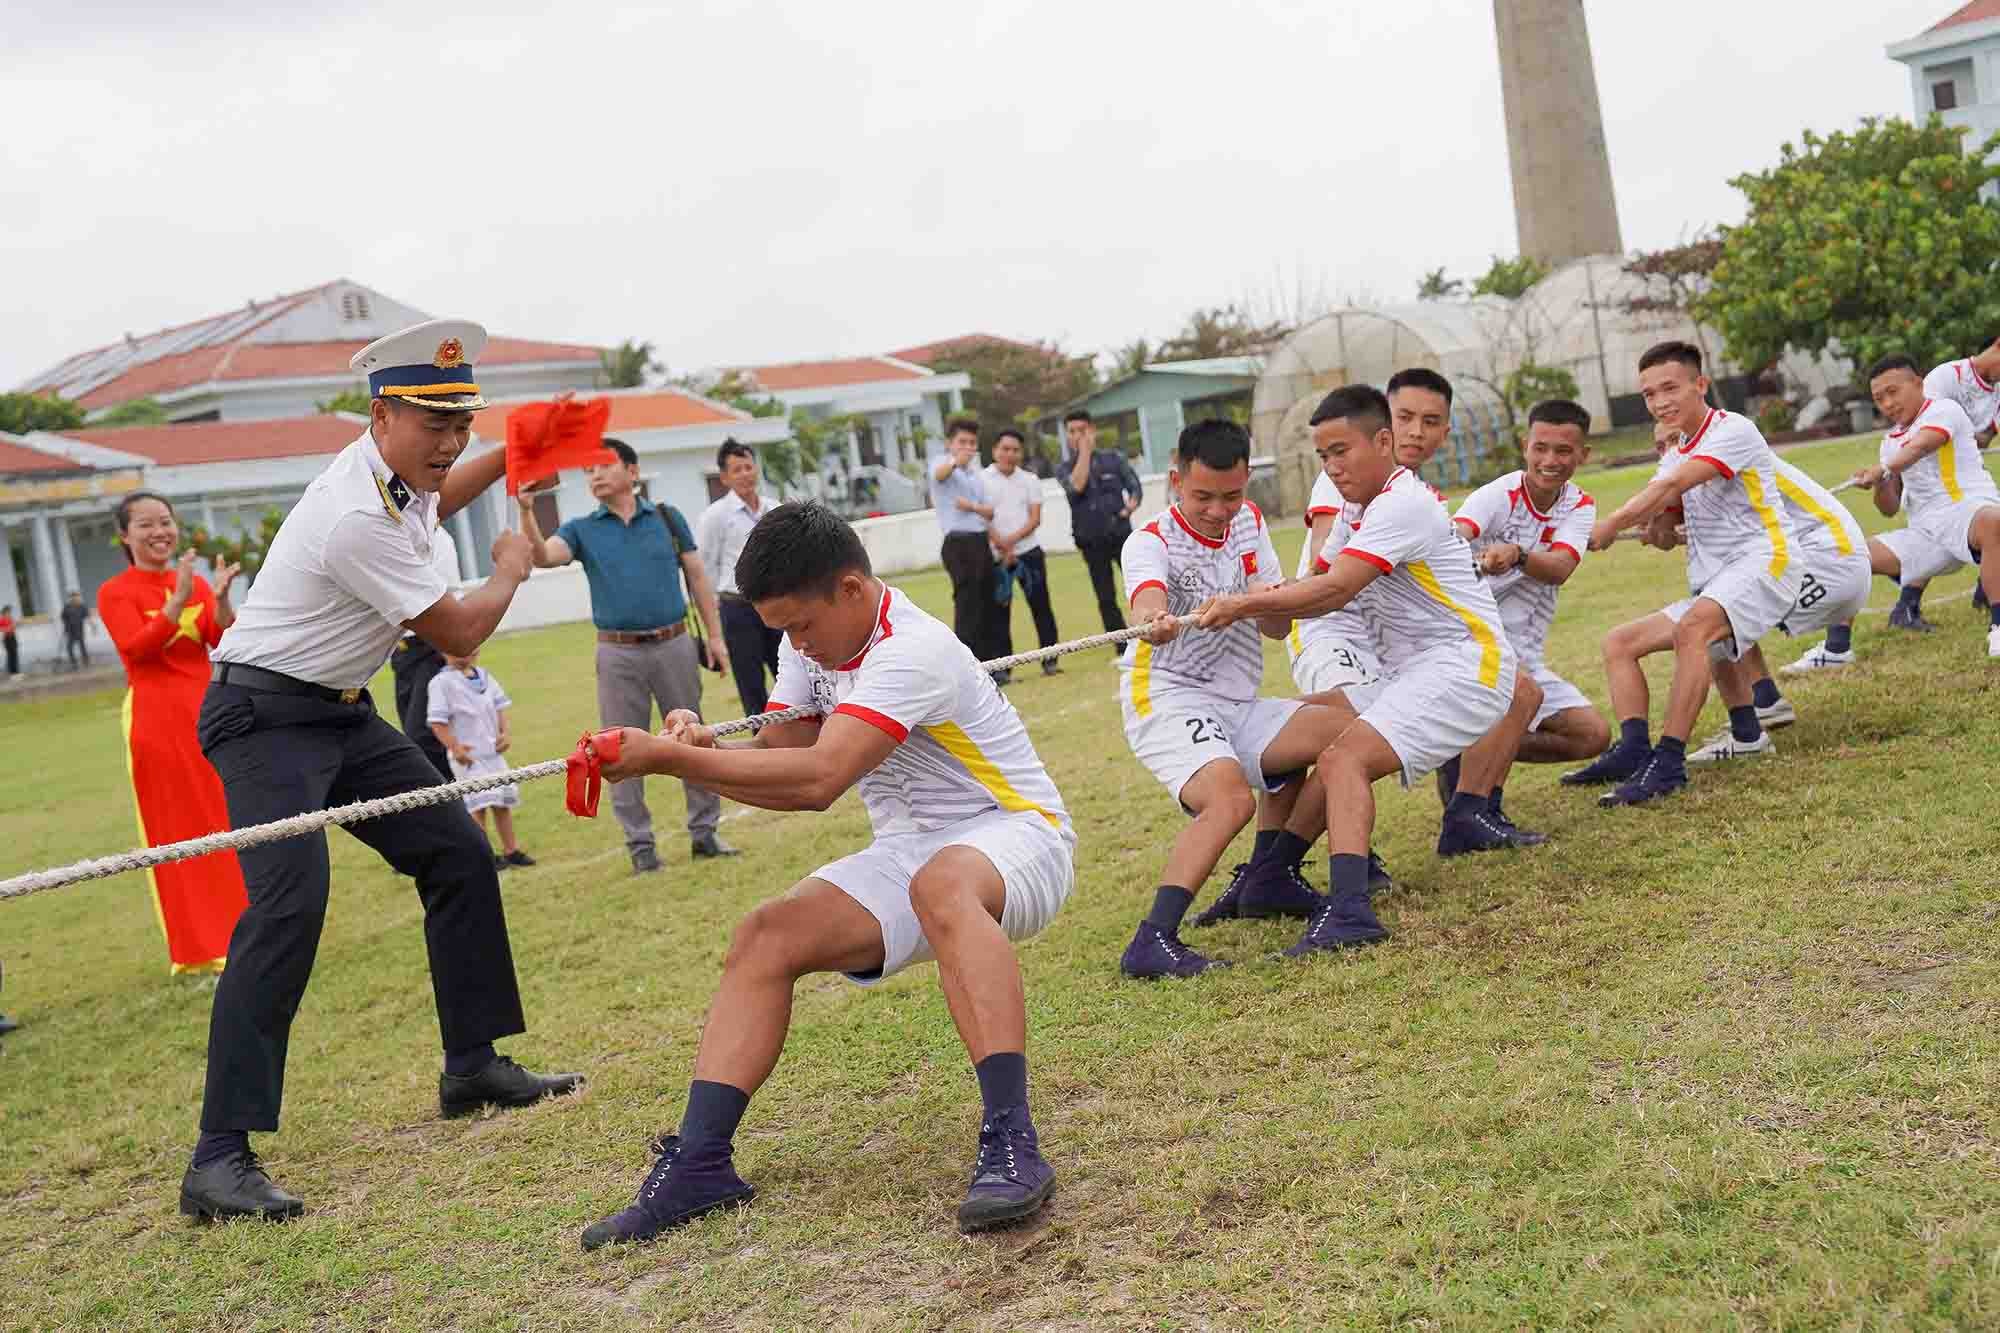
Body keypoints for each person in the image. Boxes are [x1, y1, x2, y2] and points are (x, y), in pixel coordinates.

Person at [579, 502, 1074, 1247]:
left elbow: (816, 782)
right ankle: (701, 1163)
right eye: (782, 629)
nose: (794, 642)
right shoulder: (808, 643)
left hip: (1016, 832)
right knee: (765, 933)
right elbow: (783, 746)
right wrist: (702, 742)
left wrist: (675, 761)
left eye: (800, 625)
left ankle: (1013, 1140)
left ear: (850, 588)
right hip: (910, 848)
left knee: (940, 884)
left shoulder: (913, 649)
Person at [182, 319, 582, 1224]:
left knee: (455, 852)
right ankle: (218, 1157)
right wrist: (513, 569)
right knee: (288, 906)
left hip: (337, 712)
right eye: (432, 424)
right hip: (262, 718)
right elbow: (459, 633)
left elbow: (450, 489)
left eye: (462, 424)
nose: (450, 444)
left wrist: (517, 451)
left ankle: (471, 1064)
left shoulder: (397, 478)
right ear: (380, 413)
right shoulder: (356, 512)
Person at [1197, 384, 1528, 955]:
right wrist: (1248, 592)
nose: (1332, 466)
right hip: (1414, 669)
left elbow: (1335, 589)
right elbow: (1318, 578)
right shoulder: (1357, 508)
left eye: (1340, 451)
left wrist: (1245, 605)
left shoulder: (1403, 503)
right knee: (1301, 725)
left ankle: (1350, 912)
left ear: (1382, 442)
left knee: (1342, 756)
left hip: (1466, 666)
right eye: (1323, 456)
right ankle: (1271, 873)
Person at [1114, 419, 1360, 980]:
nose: (1219, 510)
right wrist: (1154, 618)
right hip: (1170, 699)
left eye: (1231, 494)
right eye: (1203, 496)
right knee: (1230, 802)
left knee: (1353, 733)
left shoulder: (1249, 523)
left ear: (1247, 481)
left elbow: (1275, 629)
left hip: (1238, 704)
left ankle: (1268, 876)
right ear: (1177, 480)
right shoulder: (1149, 540)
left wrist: (1260, 601)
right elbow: (1146, 598)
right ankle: (1151, 941)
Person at [1576, 341, 1803, 807]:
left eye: (1670, 388)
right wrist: (1654, 524)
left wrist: (1613, 522)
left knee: (1696, 628)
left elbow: (1674, 485)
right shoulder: (1675, 452)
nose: (1660, 402)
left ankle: (1669, 764)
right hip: (1718, 578)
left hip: (1768, 562)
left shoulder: (1733, 430)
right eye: (1649, 394)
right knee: (1619, 643)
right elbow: (1664, 524)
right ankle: (1641, 749)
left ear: (1700, 385)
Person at [515, 438, 738, 870]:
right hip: (617, 653)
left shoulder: (668, 519)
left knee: (692, 738)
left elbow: (697, 577)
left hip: (675, 644)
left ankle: (705, 834)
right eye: (587, 471)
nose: (594, 475)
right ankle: (641, 848)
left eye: (603, 466)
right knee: (617, 751)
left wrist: (715, 637)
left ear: (632, 473)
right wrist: (527, 511)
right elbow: (544, 556)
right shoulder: (580, 529)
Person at [96, 492, 251, 974]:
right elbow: (137, 649)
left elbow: (220, 641)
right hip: (156, 720)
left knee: (230, 821)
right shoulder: (115, 592)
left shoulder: (197, 582)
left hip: (209, 714)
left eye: (165, 522)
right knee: (178, 831)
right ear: (125, 536)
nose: (159, 532)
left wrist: (220, 600)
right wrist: (179, 600)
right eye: (145, 525)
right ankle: (198, 947)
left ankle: (246, 931)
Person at [1446, 399, 1610, 822]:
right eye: (1541, 448)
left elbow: (1559, 569)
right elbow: (1454, 537)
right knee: (1521, 695)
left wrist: (1517, 554)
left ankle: (1459, 751)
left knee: (1592, 735)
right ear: (1525, 446)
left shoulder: (1579, 504)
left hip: (1525, 654)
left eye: (1563, 450)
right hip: (1474, 645)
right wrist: (1473, 550)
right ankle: (1479, 810)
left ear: (1583, 455)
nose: (1549, 460)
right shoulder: (1496, 495)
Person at [1848, 356, 2000, 659]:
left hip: (1966, 513)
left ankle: (1998, 627)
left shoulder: (1944, 409)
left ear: (1918, 383)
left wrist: (1883, 469)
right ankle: (1835, 648)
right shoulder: (1889, 443)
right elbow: (1889, 508)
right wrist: (1880, 483)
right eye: (1879, 398)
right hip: (1925, 534)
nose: (1888, 404)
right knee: (1849, 555)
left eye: (1893, 392)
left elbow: (1922, 446)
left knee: (1994, 523)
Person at [697, 439, 785, 714]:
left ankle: (800, 737)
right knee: (751, 684)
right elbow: (706, 567)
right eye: (737, 470)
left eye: (748, 467)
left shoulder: (775, 510)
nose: (745, 474)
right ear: (724, 478)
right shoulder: (716, 516)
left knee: (790, 673)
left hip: (778, 604)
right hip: (738, 608)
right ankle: (762, 746)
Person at [427, 647, 533, 869]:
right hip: (468, 758)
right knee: (477, 808)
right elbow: (437, 721)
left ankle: (511, 850)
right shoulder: (441, 683)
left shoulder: (485, 676)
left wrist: (504, 733)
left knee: (502, 802)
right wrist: (455, 747)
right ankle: (485, 855)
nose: (464, 653)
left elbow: (500, 707)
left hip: (492, 754)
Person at [1059, 409, 1144, 648]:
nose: (1077, 435)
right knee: (1105, 593)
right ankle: (1121, 642)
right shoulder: (1064, 468)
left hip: (1120, 534)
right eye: (1072, 432)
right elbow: (1077, 486)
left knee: (1137, 584)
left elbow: (1135, 488)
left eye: (1082, 430)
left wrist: (1129, 509)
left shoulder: (1114, 459)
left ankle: (1147, 630)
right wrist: (1084, 453)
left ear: (1092, 430)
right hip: (1090, 539)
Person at [930, 417, 1007, 677]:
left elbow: (988, 512)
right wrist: (954, 463)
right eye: (962, 442)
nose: (968, 448)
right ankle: (966, 667)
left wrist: (972, 507)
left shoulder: (975, 476)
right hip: (958, 543)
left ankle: (989, 664)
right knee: (967, 604)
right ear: (949, 443)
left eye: (972, 443)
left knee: (987, 602)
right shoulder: (942, 465)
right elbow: (939, 475)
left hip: (979, 541)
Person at [983, 428, 1062, 676]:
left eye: (1015, 450)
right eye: (1005, 449)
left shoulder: (1030, 480)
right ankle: (1003, 668)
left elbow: (1034, 519)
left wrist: (1010, 543)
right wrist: (1002, 546)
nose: (1010, 454)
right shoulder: (981, 480)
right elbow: (982, 519)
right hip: (995, 556)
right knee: (999, 613)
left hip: (1028, 552)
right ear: (995, 450)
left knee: (1041, 606)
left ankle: (1050, 659)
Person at [390, 524, 462, 781]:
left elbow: (447, 595)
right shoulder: (389, 533)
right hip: (401, 651)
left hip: (429, 644)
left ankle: (449, 799)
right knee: (413, 734)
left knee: (423, 733)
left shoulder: (435, 537)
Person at [60, 590, 91, 669]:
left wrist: (93, 625)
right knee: (69, 647)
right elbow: (63, 618)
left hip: (79, 629)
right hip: (70, 630)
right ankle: (74, 663)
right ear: (70, 598)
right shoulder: (67, 607)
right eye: (73, 597)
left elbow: (87, 616)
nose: (75, 598)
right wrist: (65, 628)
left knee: (82, 646)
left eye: (76, 596)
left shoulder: (82, 606)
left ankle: (86, 661)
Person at [0, 604, 17, 676]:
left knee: (14, 654)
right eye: (8, 612)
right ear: (4, 612)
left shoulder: (10, 618)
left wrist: (14, 626)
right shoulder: (2, 619)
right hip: (7, 638)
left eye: (9, 612)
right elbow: (1, 629)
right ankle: (12, 672)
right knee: (10, 655)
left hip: (12, 637)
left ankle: (15, 671)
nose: (9, 613)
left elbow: (13, 627)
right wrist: (8, 628)